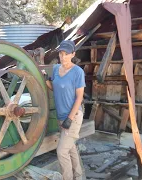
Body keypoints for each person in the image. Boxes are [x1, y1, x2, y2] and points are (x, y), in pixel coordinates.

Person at [43, 40, 85, 180]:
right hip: (61, 116)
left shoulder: (78, 72)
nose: (63, 57)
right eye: (61, 53)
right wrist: (46, 80)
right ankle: (79, 177)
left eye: (66, 54)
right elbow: (55, 89)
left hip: (73, 116)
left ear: (73, 54)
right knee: (71, 148)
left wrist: (69, 119)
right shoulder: (56, 69)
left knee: (61, 151)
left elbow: (79, 97)